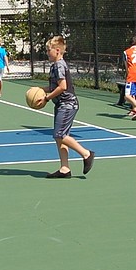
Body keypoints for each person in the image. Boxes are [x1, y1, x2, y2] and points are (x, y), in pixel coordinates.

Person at [37, 35, 95, 178]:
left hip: (67, 104)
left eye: (48, 50)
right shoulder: (55, 65)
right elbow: (54, 87)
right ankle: (64, 168)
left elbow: (62, 87)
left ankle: (86, 154)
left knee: (60, 134)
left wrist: (46, 97)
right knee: (60, 137)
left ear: (57, 50)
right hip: (61, 104)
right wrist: (39, 90)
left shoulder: (59, 65)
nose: (47, 53)